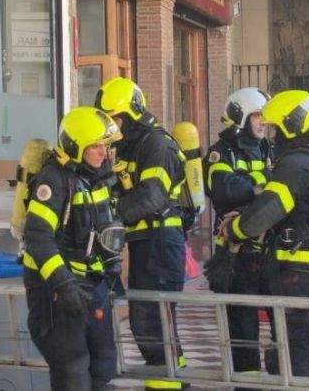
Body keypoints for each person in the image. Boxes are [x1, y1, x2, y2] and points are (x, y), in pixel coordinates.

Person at [219, 90, 309, 390]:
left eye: (275, 128)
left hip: (299, 275)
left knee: (291, 359)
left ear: (293, 124)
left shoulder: (296, 163)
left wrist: (234, 229)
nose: (271, 136)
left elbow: (268, 211)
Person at [94, 78, 188, 389]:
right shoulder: (127, 147)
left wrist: (108, 214)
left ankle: (167, 384)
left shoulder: (157, 144)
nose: (113, 127)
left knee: (152, 321)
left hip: (161, 244)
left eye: (116, 119)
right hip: (145, 243)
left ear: (132, 114)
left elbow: (152, 196)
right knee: (149, 321)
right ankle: (173, 381)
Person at [23, 106, 124, 390]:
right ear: (75, 146)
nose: (103, 152)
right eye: (95, 146)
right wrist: (63, 285)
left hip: (93, 286)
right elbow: (38, 238)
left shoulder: (97, 177)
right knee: (73, 370)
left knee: (104, 364)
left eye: (105, 145)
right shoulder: (53, 180)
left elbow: (106, 225)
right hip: (57, 292)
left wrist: (111, 266)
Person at [203, 87, 272, 376]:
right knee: (242, 323)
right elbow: (226, 190)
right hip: (235, 252)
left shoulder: (268, 148)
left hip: (268, 248)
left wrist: (253, 185)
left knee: (280, 317)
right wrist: (264, 180)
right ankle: (246, 381)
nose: (262, 122)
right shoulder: (220, 152)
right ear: (240, 117)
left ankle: (277, 376)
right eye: (257, 116)